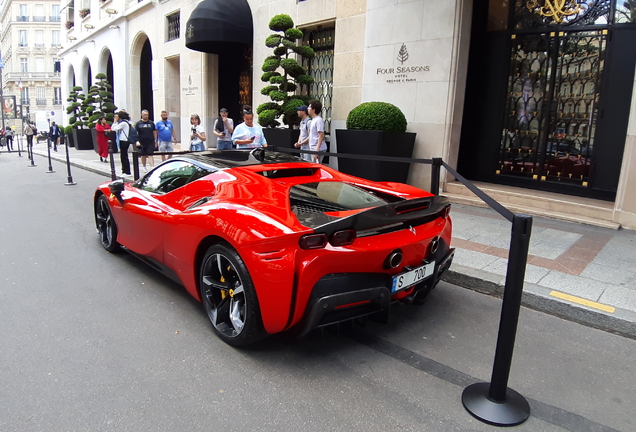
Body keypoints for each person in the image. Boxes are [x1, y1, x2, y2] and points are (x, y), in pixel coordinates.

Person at [110, 111, 132, 177]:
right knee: (123, 156)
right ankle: (124, 170)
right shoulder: (126, 122)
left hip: (124, 140)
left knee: (124, 156)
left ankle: (127, 172)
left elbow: (113, 129)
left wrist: (115, 121)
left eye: (117, 117)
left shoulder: (123, 123)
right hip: (123, 140)